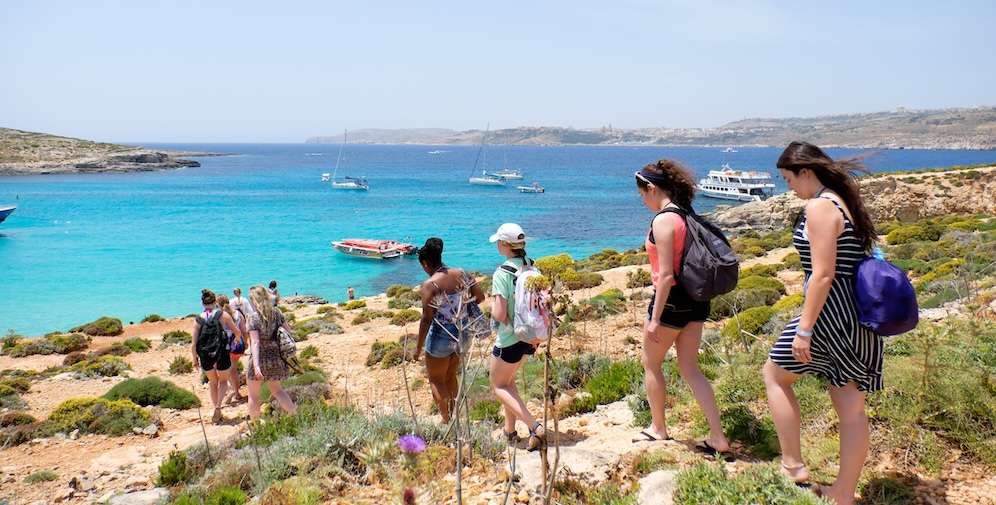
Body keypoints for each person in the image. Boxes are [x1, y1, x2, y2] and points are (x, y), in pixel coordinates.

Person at [763, 142, 880, 505]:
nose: (789, 188)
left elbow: (823, 274)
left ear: (806, 172)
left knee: (775, 376)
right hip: (857, 315)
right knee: (850, 406)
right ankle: (842, 493)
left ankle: (792, 466)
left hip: (831, 314)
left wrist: (805, 329)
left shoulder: (819, 206)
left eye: (788, 179)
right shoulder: (843, 201)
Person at [632, 159, 732, 458]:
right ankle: (718, 438)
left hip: (672, 300)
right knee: (690, 369)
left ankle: (658, 428)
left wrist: (655, 318)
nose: (643, 200)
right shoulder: (687, 215)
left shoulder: (663, 220)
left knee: (650, 364)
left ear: (651, 188)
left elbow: (665, 275)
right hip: (697, 299)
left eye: (642, 195)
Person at [413, 237, 486, 425]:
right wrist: (460, 309)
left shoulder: (431, 284)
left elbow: (427, 318)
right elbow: (480, 297)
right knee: (450, 376)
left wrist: (418, 347)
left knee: (436, 379)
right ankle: (455, 416)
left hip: (442, 334)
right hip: (464, 332)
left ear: (426, 263)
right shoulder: (462, 273)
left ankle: (447, 421)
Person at [488, 223, 545, 450]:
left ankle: (534, 427)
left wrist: (490, 306)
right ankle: (509, 432)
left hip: (509, 339)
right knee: (508, 382)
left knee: (498, 386)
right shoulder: (532, 266)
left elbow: (500, 314)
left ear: (503, 244)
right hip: (530, 336)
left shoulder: (502, 273)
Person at [246, 285, 296, 421]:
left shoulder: (253, 318)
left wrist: (256, 367)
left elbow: (255, 343)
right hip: (276, 357)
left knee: (253, 395)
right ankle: (294, 415)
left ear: (254, 300)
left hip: (260, 359)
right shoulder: (277, 313)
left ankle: (256, 426)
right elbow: (288, 332)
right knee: (277, 391)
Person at [191, 289, 242, 424]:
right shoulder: (223, 315)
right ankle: (219, 406)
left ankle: (215, 408)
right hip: (222, 353)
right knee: (224, 381)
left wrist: (194, 359)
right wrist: (236, 339)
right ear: (215, 302)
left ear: (202, 304)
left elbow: (193, 344)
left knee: (213, 383)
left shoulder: (198, 320)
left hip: (206, 355)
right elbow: (237, 332)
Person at [217, 293, 247, 404]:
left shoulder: (221, 316)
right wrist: (246, 342)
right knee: (233, 369)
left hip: (226, 345)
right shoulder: (238, 314)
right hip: (237, 344)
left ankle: (230, 389)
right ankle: (237, 393)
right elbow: (243, 330)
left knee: (222, 370)